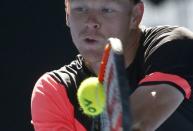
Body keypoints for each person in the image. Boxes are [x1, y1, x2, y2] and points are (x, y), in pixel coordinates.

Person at [31, 0, 193, 130]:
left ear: (135, 16)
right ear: (67, 11)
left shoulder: (175, 46)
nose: (91, 22)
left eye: (107, 9)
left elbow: (139, 123)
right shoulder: (55, 90)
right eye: (80, 8)